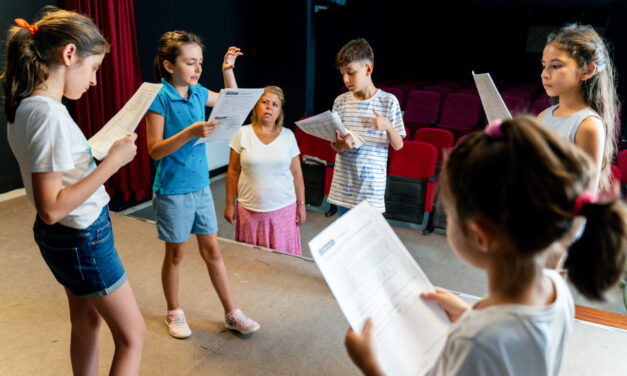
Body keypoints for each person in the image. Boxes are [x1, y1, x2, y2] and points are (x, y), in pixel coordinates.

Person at [344, 116, 627, 375]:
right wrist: (469, 314)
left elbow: (490, 345)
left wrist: (371, 365)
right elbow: (515, 347)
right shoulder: (556, 288)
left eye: (450, 213)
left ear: (481, 234)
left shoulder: (474, 341)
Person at [3, 8, 146, 375]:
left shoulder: (27, 105)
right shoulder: (49, 116)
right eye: (94, 67)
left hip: (64, 237)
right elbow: (51, 207)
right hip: (83, 237)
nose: (95, 81)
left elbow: (56, 173)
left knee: (86, 323)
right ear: (69, 55)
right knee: (133, 336)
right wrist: (113, 163)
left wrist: (95, 154)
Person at [146, 31, 259, 339]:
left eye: (200, 63)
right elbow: (154, 149)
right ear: (169, 66)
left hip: (201, 186)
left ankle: (232, 312)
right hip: (173, 190)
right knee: (176, 254)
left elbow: (232, 104)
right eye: (189, 62)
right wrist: (191, 132)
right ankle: (174, 310)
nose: (197, 69)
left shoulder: (198, 92)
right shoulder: (159, 97)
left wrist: (227, 71)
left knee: (212, 250)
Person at [327, 38, 405, 217]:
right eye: (342, 74)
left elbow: (399, 145)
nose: (346, 79)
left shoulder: (388, 101)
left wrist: (386, 126)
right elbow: (335, 145)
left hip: (371, 191)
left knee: (369, 242)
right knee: (346, 242)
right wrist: (342, 145)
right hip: (344, 187)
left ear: (368, 69)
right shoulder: (341, 101)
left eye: (351, 72)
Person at [224, 86, 306, 255]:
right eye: (265, 102)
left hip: (283, 209)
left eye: (275, 104)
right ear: (256, 106)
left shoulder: (288, 136)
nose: (269, 107)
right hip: (249, 210)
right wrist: (229, 204)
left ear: (280, 111)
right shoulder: (242, 133)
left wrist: (301, 204)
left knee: (283, 261)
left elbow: (297, 174)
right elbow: (232, 172)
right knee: (252, 261)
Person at [539, 24, 619, 193]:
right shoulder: (543, 116)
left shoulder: (588, 125)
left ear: (587, 70)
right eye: (544, 65)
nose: (544, 74)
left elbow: (586, 195)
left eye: (556, 66)